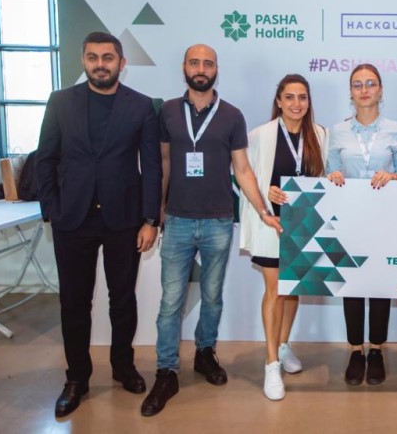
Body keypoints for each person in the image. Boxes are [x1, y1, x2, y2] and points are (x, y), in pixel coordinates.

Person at [140, 44, 281, 417]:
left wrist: (263, 211)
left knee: (213, 296)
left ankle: (205, 353)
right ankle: (166, 371)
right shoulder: (168, 112)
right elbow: (163, 164)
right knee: (171, 302)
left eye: (208, 63)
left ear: (216, 69)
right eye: (194, 62)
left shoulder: (232, 115)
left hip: (219, 220)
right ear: (184, 67)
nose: (201, 68)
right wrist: (156, 215)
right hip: (178, 220)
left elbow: (243, 170)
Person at [35, 31, 162, 417]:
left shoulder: (141, 106)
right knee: (74, 302)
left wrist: (150, 219)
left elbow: (152, 167)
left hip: (123, 218)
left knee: (122, 299)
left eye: (108, 58)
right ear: (83, 61)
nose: (100, 64)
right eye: (93, 57)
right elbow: (45, 159)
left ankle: (123, 366)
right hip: (72, 218)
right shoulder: (60, 102)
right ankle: (77, 377)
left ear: (122, 63)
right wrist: (51, 209)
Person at [240, 74, 327, 400]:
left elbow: (322, 177)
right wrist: (267, 192)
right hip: (272, 223)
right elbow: (244, 176)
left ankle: (284, 344)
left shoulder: (319, 134)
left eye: (302, 97)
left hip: (304, 224)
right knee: (275, 290)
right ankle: (271, 363)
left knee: (294, 290)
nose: (296, 103)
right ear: (278, 100)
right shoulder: (260, 135)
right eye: (289, 97)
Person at [326, 64, 397, 386]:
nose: (364, 90)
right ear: (351, 91)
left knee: (379, 285)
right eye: (358, 84)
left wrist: (393, 176)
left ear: (380, 89)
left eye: (370, 83)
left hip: (385, 220)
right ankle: (354, 350)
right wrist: (333, 176)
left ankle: (375, 350)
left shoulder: (396, 129)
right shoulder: (338, 131)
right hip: (348, 220)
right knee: (351, 285)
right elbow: (330, 173)